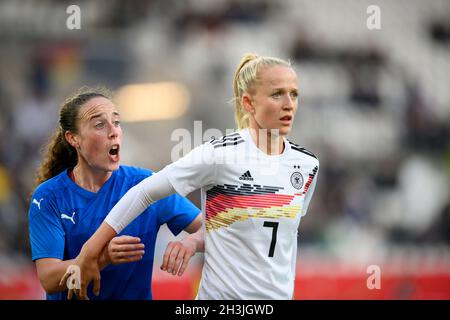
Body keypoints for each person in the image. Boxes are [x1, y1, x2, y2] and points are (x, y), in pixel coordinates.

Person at [62, 53, 320, 300]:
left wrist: (195, 240)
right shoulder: (219, 155)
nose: (289, 104)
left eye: (294, 94)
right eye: (277, 94)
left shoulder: (307, 165)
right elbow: (143, 193)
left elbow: (267, 235)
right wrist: (89, 253)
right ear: (248, 103)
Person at [28, 87, 203, 300]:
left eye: (116, 122)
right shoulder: (48, 197)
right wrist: (104, 257)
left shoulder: (146, 185)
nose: (113, 131)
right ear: (73, 139)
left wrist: (192, 242)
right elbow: (48, 278)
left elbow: (213, 231)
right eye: (99, 125)